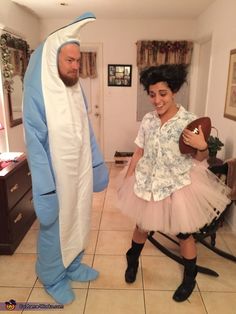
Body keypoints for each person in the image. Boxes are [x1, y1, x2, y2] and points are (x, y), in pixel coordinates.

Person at [117, 64, 231, 302]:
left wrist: (202, 146)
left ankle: (190, 276)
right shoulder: (148, 120)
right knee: (141, 227)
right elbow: (139, 152)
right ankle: (132, 259)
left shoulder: (188, 121)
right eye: (152, 94)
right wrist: (128, 178)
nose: (157, 100)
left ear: (174, 91)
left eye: (163, 93)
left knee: (184, 235)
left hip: (178, 184)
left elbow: (199, 160)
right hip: (148, 181)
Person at [23, 13, 109, 305]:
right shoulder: (40, 94)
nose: (75, 66)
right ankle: (51, 276)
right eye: (69, 60)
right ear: (52, 61)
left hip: (80, 172)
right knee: (55, 228)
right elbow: (35, 145)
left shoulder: (76, 90)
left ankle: (72, 264)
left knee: (79, 220)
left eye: (77, 60)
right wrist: (46, 189)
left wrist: (97, 164)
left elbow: (87, 131)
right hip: (57, 177)